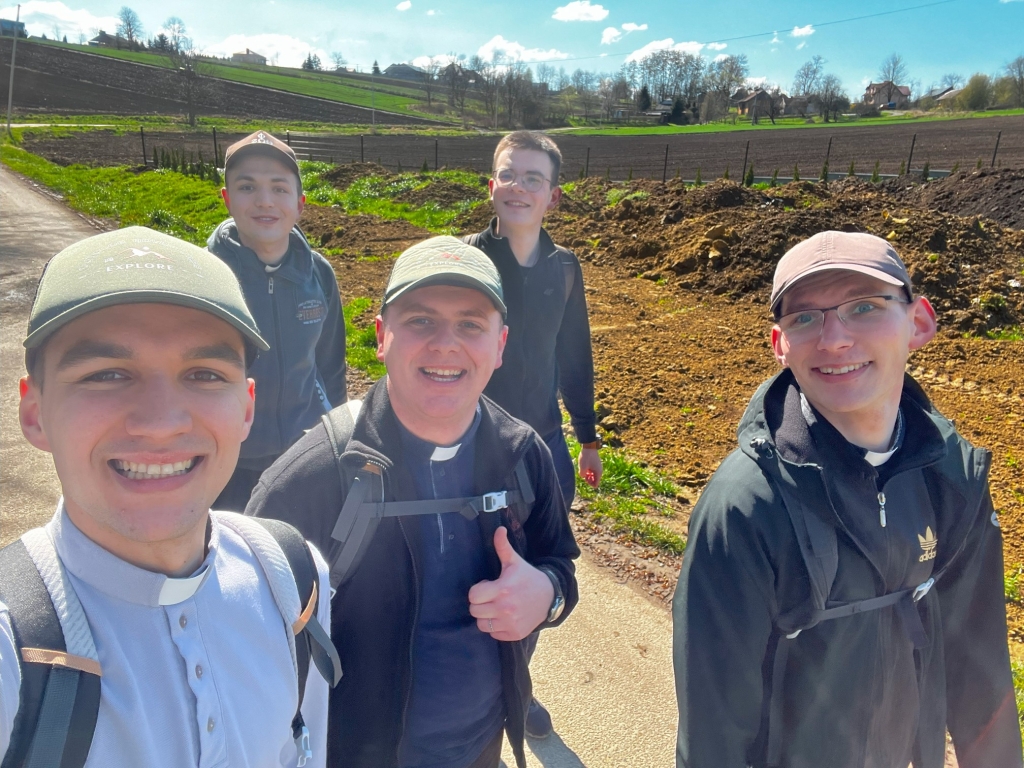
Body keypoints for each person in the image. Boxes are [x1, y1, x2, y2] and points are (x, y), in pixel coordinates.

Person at [672, 231, 1022, 768]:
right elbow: (714, 728)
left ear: (919, 322)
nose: (834, 339)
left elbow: (981, 672)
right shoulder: (744, 509)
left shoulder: (952, 478)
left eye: (864, 307)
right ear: (779, 345)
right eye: (805, 318)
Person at [0, 227, 335, 767]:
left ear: (246, 408)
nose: (160, 423)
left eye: (204, 374)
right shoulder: (14, 643)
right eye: (106, 374)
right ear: (34, 413)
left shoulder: (290, 575)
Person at [247, 236, 580, 768]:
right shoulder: (310, 478)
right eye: (421, 320)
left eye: (471, 324)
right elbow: (242, 646)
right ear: (381, 337)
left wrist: (548, 596)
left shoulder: (523, 456)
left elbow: (560, 567)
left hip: (479, 750)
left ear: (500, 345)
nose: (446, 343)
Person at [465, 131, 599, 737]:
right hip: (470, 445)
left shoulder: (564, 270)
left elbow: (575, 356)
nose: (518, 187)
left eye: (532, 178)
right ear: (490, 185)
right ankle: (469, 686)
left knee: (538, 574)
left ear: (553, 196)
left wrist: (589, 437)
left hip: (543, 449)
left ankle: (517, 685)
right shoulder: (465, 261)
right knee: (468, 572)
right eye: (508, 174)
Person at [208, 129, 347, 511]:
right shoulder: (205, 279)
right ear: (227, 198)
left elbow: (331, 367)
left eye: (279, 188)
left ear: (299, 203)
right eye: (248, 187)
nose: (265, 201)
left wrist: (334, 439)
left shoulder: (319, 275)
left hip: (302, 457)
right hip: (224, 463)